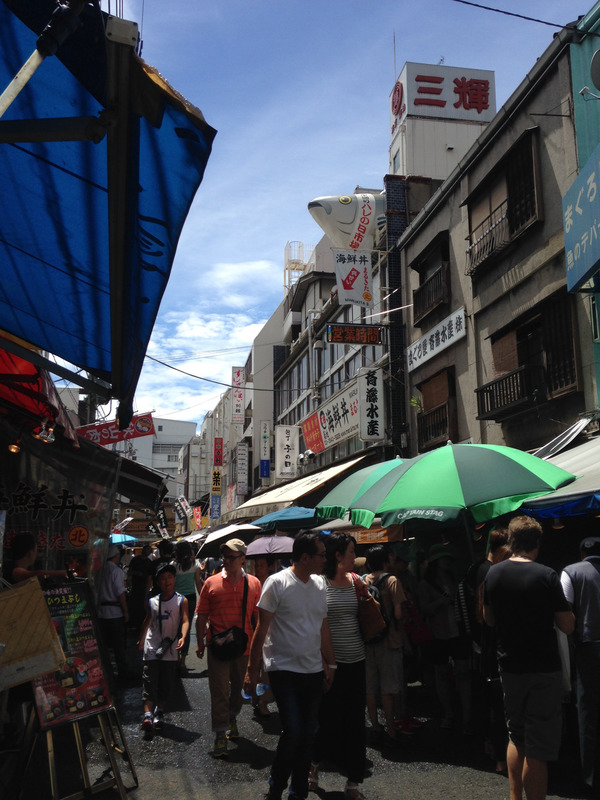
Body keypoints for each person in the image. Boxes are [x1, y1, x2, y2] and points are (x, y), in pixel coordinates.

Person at [484, 515, 575, 800]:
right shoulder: (546, 575)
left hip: (509, 666)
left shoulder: (493, 574)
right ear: (536, 543)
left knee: (517, 736)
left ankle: (515, 797)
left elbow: (488, 619)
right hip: (543, 669)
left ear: (511, 542)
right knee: (539, 746)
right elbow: (567, 625)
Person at [243, 532, 336, 800]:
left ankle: (298, 791)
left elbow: (323, 627)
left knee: (308, 732)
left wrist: (331, 664)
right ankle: (276, 786)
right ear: (305, 557)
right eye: (321, 554)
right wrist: (252, 671)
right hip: (283, 670)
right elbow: (261, 631)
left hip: (312, 670)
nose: (325, 559)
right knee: (294, 730)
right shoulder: (277, 583)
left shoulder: (320, 584)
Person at [310, 533, 367, 799]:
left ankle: (353, 781)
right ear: (338, 555)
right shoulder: (320, 584)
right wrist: (325, 662)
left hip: (357, 660)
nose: (354, 556)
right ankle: (313, 763)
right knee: (329, 720)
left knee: (356, 722)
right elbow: (316, 628)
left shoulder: (356, 581)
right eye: (351, 551)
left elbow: (364, 616)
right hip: (332, 665)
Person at [195, 538, 261, 759]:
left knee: (240, 691)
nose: (226, 561)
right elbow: (202, 614)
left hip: (244, 648)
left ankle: (232, 716)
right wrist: (200, 642)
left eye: (231, 557)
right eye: (224, 556)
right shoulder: (211, 583)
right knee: (219, 691)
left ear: (243, 559)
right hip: (218, 647)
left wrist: (261, 647)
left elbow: (258, 618)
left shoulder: (254, 584)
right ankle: (220, 733)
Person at [418, 542, 472, 733]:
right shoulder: (425, 584)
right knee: (441, 673)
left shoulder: (456, 579)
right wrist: (442, 601)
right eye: (443, 558)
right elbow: (424, 609)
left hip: (458, 631)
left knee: (463, 673)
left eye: (448, 558)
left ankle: (467, 715)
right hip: (438, 633)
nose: (446, 561)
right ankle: (448, 713)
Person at [560, 536, 600, 794]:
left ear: (581, 552)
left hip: (588, 648)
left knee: (588, 715)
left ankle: (591, 780)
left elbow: (565, 608)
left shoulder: (571, 571)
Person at [138, 562, 189, 733]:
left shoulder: (182, 600)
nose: (166, 582)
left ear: (174, 579)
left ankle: (159, 710)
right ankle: (147, 716)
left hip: (170, 649)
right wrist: (141, 639)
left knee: (166, 683)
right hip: (152, 647)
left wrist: (182, 636)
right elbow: (147, 621)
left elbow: (185, 620)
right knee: (149, 681)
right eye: (163, 579)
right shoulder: (152, 602)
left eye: (169, 578)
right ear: (158, 582)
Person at [475, 528, 510, 776]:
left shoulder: (483, 569)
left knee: (491, 700)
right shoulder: (490, 572)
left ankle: (491, 745)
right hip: (490, 642)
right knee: (497, 703)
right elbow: (484, 615)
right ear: (499, 549)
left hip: (486, 642)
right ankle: (499, 754)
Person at [363, 544, 406, 745]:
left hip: (368, 640)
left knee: (370, 687)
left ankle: (374, 725)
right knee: (388, 687)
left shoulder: (363, 581)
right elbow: (398, 613)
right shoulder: (392, 580)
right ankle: (390, 726)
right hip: (389, 640)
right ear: (385, 560)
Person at [97, 544, 131, 684]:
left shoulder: (98, 570)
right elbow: (120, 593)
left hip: (101, 613)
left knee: (103, 646)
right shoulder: (116, 571)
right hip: (114, 614)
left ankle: (105, 673)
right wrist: (126, 611)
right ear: (116, 556)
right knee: (118, 646)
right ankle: (123, 674)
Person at [172, 540, 203, 672]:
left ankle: (176, 658)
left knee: (175, 628)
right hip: (190, 599)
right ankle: (183, 661)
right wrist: (203, 598)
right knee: (187, 628)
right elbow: (197, 583)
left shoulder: (173, 565)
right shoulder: (195, 565)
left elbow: (171, 585)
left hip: (176, 599)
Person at [5, 532, 72, 584]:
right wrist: (61, 573)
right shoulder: (15, 570)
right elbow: (36, 574)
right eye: (36, 551)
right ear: (30, 553)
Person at [126, 544, 154, 631]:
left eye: (150, 550)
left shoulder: (149, 562)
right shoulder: (135, 560)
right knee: (135, 606)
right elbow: (129, 572)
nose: (148, 551)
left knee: (143, 607)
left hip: (145, 587)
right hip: (136, 587)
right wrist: (136, 573)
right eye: (147, 549)